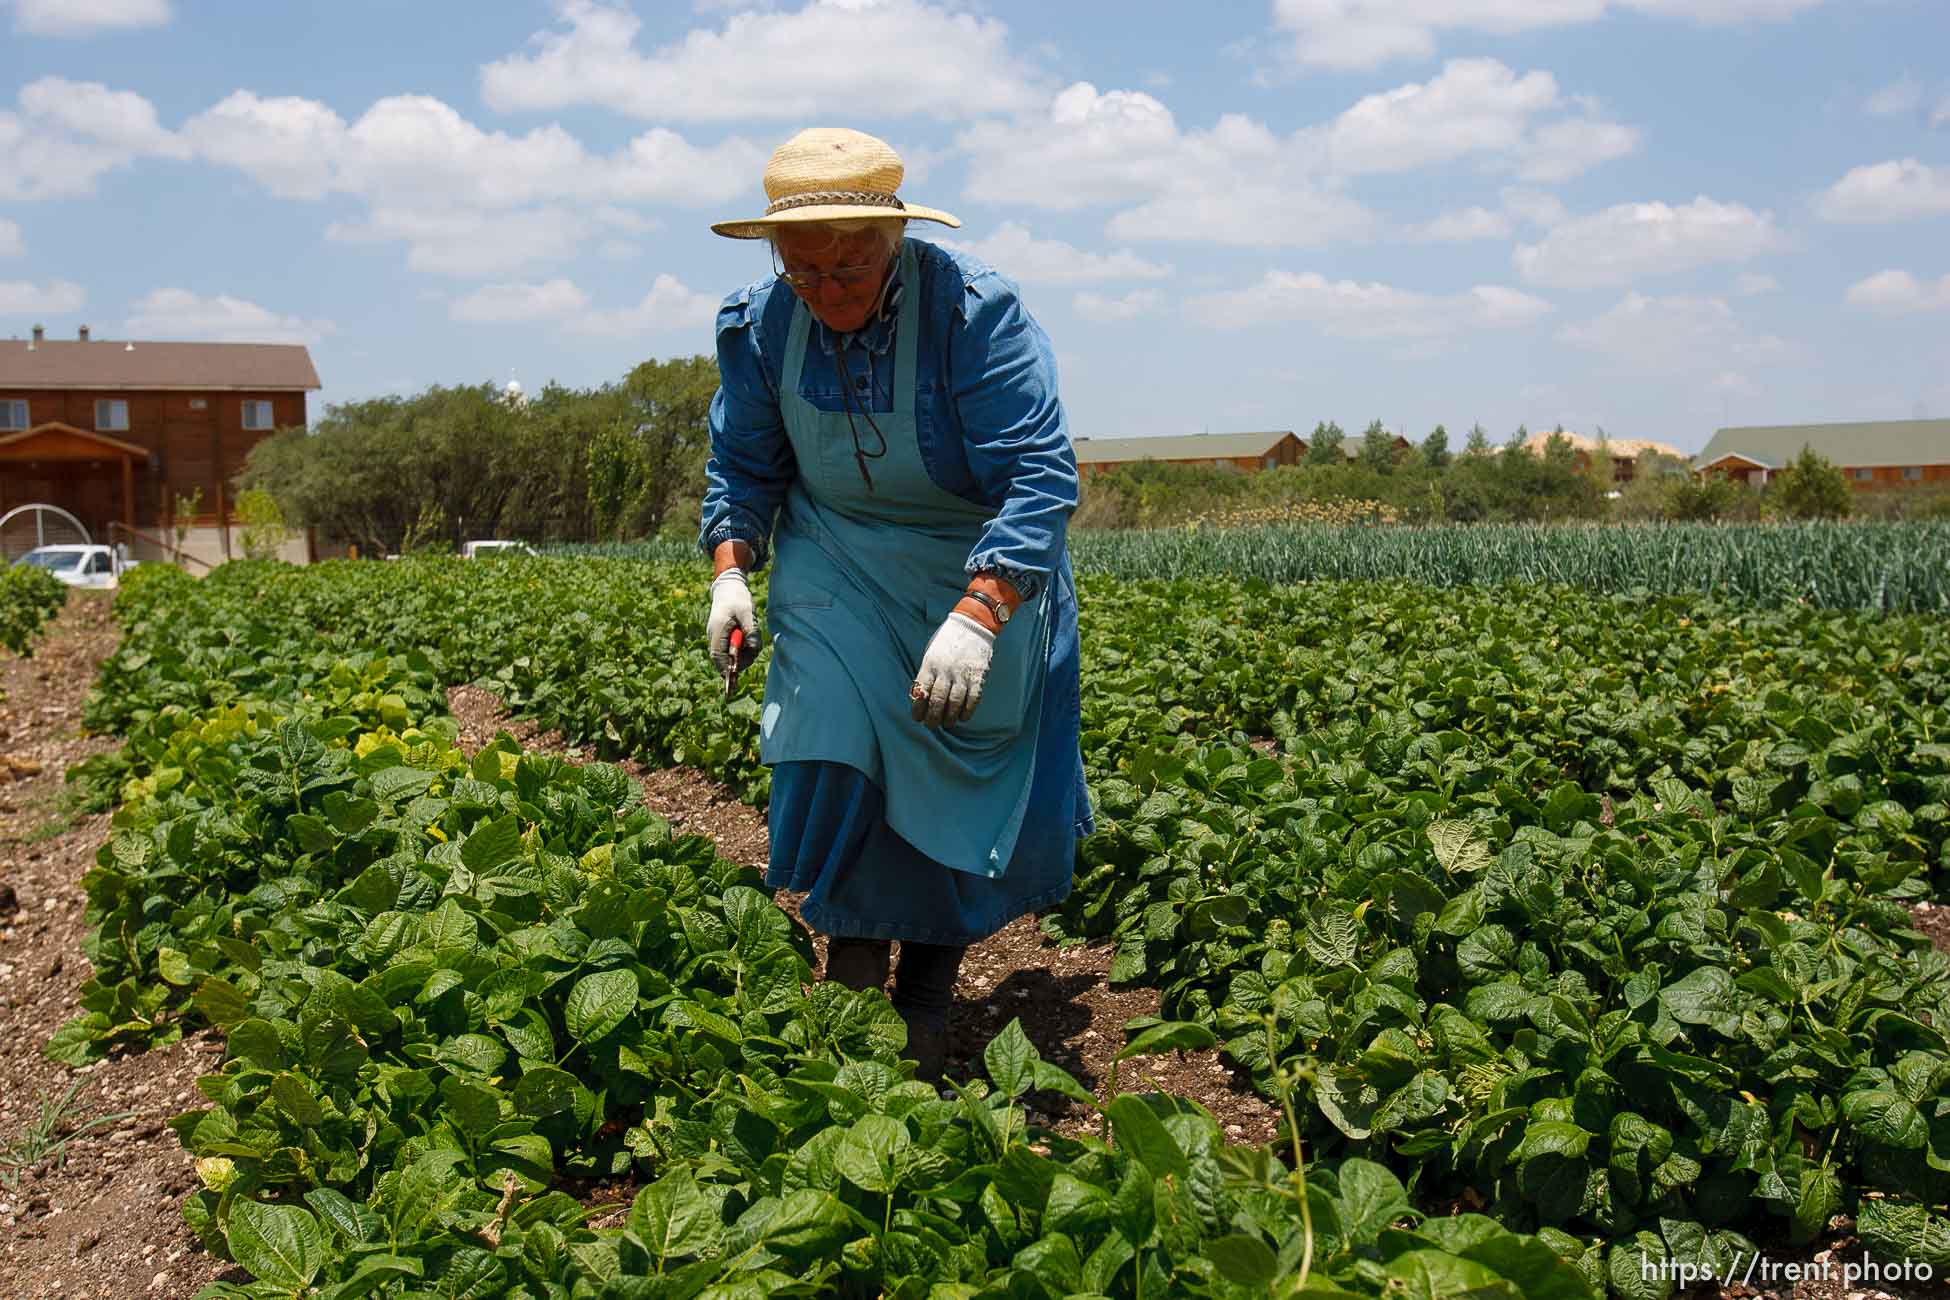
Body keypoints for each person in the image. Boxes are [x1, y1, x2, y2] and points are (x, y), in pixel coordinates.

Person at [698, 127, 1091, 1083]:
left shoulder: (973, 312)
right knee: (830, 753)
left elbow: (1039, 474)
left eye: (851, 266)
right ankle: (854, 967)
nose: (829, 289)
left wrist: (982, 613)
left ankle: (923, 991)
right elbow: (744, 464)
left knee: (949, 760)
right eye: (806, 271)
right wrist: (729, 572)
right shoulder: (758, 324)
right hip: (832, 557)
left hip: (971, 566)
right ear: (777, 258)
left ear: (895, 240)